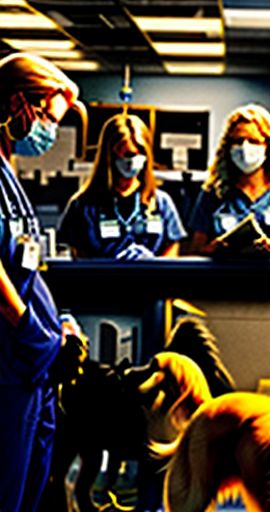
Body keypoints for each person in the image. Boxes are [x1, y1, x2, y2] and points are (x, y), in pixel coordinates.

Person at [0, 51, 84, 512]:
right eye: (48, 118)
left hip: (34, 364)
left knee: (31, 485)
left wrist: (60, 322)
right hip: (12, 363)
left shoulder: (10, 174)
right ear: (17, 106)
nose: (49, 133)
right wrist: (30, 328)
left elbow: (27, 262)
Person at [57, 113, 187, 259]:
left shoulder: (161, 202)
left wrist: (153, 269)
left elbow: (172, 248)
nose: (131, 161)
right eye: (127, 154)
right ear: (110, 155)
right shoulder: (82, 205)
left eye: (139, 153)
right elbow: (79, 256)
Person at [188, 103, 270, 257]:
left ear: (268, 146)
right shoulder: (214, 192)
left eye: (253, 141)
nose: (245, 148)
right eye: (238, 141)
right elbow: (195, 251)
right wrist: (215, 248)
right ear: (228, 146)